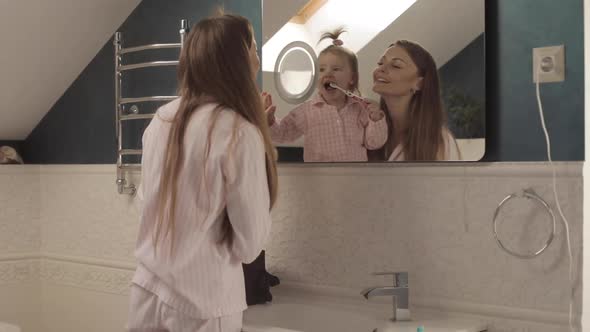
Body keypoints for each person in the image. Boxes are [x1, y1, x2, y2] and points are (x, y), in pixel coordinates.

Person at [126, 12, 278, 332]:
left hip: (147, 292)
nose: (256, 56)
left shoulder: (162, 120)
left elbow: (147, 202)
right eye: (252, 47)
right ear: (237, 61)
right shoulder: (238, 131)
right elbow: (249, 246)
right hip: (204, 302)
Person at [264, 28, 388, 162]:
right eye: (321, 69)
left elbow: (375, 143)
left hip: (354, 179)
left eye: (336, 69)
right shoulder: (306, 111)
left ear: (352, 78)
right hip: (319, 180)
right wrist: (270, 122)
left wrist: (376, 119)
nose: (327, 74)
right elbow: (283, 134)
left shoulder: (361, 109)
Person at [368, 40, 461, 161]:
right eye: (380, 63)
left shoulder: (439, 141)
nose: (381, 69)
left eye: (396, 65)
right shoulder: (369, 130)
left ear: (419, 83)